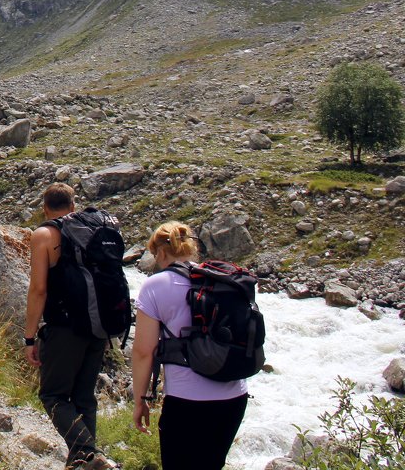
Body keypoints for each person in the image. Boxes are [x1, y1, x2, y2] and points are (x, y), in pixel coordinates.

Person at [131, 222, 248, 470]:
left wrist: (140, 399)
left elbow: (143, 352)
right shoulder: (219, 279)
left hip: (187, 400)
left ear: (161, 252)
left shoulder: (155, 285)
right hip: (234, 396)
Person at [23, 183, 114, 470]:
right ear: (74, 206)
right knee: (84, 397)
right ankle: (83, 461)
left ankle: (87, 453)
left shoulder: (44, 235)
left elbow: (38, 289)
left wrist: (29, 337)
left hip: (64, 326)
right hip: (100, 325)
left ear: (45, 207)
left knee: (53, 395)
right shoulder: (96, 229)